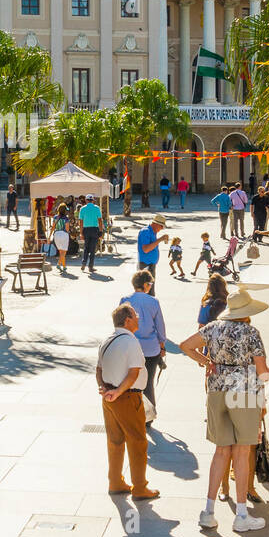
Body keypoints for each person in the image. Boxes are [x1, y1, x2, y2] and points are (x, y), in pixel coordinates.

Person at [180, 286, 269, 532]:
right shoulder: (251, 332)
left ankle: (208, 512)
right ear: (247, 312)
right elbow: (262, 371)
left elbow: (185, 345)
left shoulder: (212, 328)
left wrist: (208, 362)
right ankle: (241, 515)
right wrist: (267, 377)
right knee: (241, 453)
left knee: (222, 451)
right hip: (244, 394)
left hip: (217, 391)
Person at [95, 303, 159, 499]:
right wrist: (118, 392)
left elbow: (98, 370)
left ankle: (115, 481)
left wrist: (105, 389)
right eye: (136, 315)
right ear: (128, 320)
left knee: (114, 441)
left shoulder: (107, 340)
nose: (138, 318)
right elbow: (133, 373)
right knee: (138, 441)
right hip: (127, 396)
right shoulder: (131, 342)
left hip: (109, 398)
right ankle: (139, 487)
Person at [124, 270, 166, 413]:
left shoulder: (125, 300)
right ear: (145, 285)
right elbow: (160, 326)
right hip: (150, 348)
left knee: (130, 381)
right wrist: (162, 345)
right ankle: (148, 415)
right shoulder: (153, 302)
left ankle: (132, 412)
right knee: (148, 383)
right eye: (150, 284)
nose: (150, 286)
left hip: (131, 347)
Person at [136, 214, 168, 292]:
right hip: (145, 265)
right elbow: (146, 249)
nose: (162, 229)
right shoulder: (145, 231)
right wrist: (160, 239)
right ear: (156, 224)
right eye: (161, 226)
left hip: (150, 265)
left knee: (150, 290)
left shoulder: (152, 232)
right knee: (146, 291)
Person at [78, 193, 103, 274]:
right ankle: (90, 266)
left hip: (86, 230)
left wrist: (81, 233)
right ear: (93, 200)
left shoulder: (82, 209)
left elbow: (81, 222)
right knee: (92, 249)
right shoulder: (97, 208)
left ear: (86, 200)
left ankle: (83, 263)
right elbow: (100, 221)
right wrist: (101, 231)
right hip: (94, 230)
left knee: (86, 247)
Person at [49, 202, 71, 274]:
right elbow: (67, 229)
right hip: (64, 234)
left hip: (56, 234)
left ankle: (64, 266)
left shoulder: (55, 217)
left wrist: (49, 237)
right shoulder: (66, 219)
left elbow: (53, 227)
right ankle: (58, 264)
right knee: (63, 252)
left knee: (61, 251)